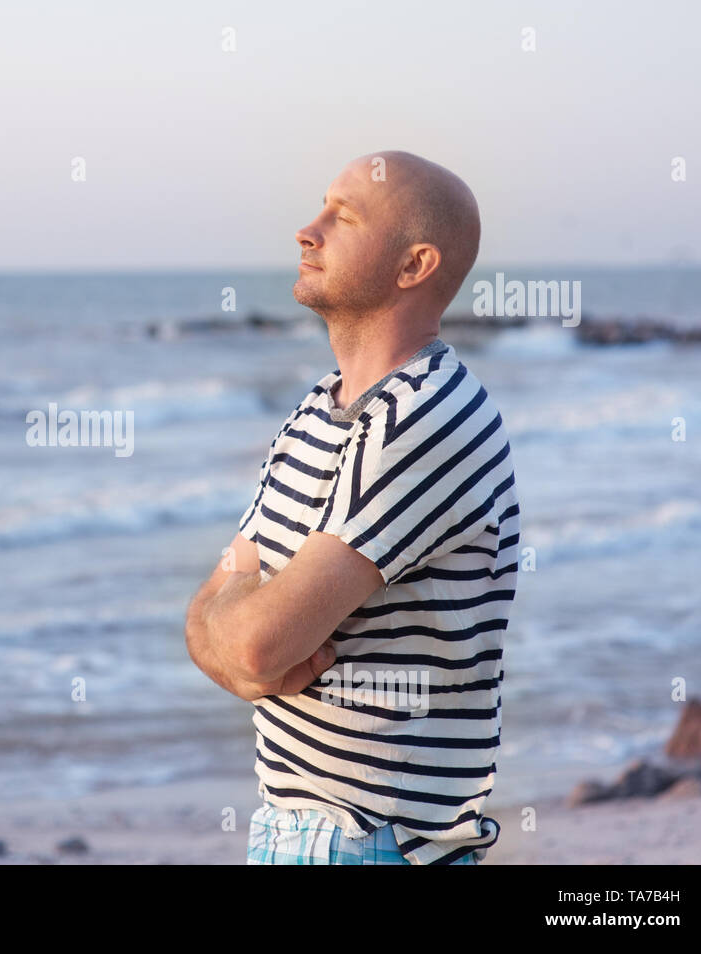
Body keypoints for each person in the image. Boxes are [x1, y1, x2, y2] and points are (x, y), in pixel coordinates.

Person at [184, 151, 520, 865]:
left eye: (343, 216)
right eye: (319, 210)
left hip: (373, 845)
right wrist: (239, 627)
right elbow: (210, 617)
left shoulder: (425, 419)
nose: (308, 231)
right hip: (292, 831)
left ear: (413, 266)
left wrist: (244, 633)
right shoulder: (317, 408)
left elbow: (252, 647)